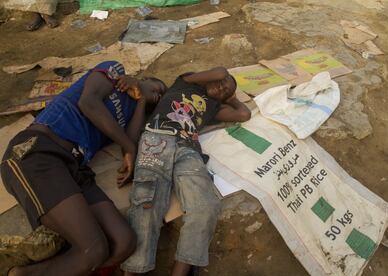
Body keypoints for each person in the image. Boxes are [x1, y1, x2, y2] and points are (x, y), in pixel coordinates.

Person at [0, 60, 167, 276]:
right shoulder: (114, 72)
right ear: (145, 78)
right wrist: (128, 145)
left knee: (124, 241)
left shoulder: (132, 113)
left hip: (74, 167)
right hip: (39, 151)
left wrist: (143, 103)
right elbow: (88, 103)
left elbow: (130, 143)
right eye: (158, 87)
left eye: (161, 96)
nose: (159, 94)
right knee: (93, 250)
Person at [121, 67, 251, 276]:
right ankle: (134, 271)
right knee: (147, 206)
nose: (221, 87)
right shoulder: (185, 83)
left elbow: (244, 114)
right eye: (221, 83)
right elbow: (220, 72)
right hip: (156, 138)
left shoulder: (213, 108)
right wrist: (225, 83)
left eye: (225, 91)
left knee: (206, 206)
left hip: (188, 150)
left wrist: (231, 97)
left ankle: (179, 272)